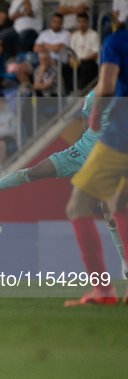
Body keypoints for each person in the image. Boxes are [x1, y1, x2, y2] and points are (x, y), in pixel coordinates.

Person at [0, 91, 127, 292]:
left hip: (107, 156)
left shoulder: (122, 96)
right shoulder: (93, 95)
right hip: (81, 152)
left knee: (110, 214)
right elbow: (87, 123)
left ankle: (124, 269)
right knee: (35, 171)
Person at [64, 31, 128, 306]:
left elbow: (107, 86)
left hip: (121, 135)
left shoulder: (117, 41)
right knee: (121, 203)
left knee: (78, 205)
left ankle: (103, 290)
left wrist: (95, 114)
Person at [69, 13, 100, 90]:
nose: (81, 24)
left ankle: (83, 91)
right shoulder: (74, 35)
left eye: (83, 22)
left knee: (85, 68)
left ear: (87, 22)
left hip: (89, 62)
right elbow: (71, 51)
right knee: (65, 68)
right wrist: (71, 60)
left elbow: (96, 54)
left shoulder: (94, 35)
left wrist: (82, 60)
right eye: (79, 22)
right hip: (77, 61)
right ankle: (71, 92)